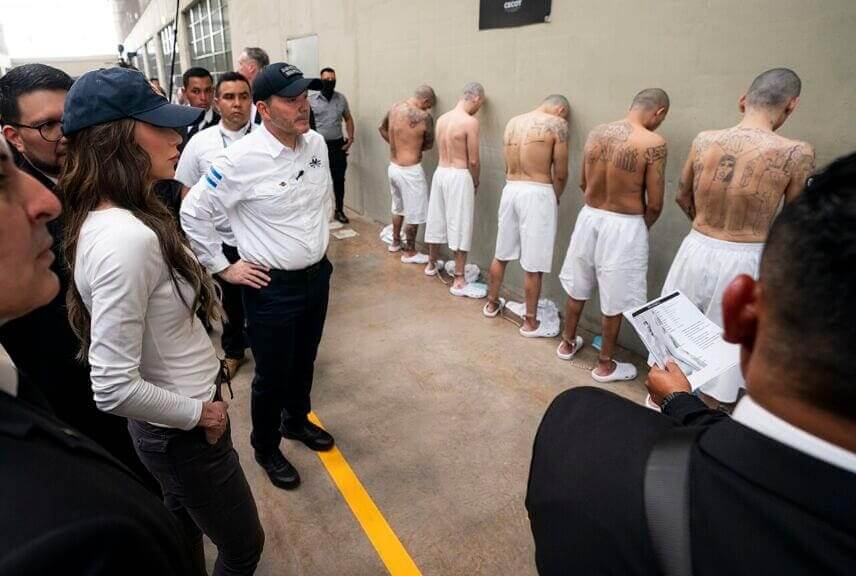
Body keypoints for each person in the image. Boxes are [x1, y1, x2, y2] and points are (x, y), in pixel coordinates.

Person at [526, 152, 856, 575]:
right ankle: (605, 359)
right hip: (700, 238)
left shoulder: (579, 433)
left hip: (683, 236)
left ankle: (573, 344)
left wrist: (683, 407)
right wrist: (685, 406)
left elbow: (676, 196)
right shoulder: (789, 154)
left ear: (737, 315)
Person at [61, 67, 264, 575]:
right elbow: (110, 386)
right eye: (160, 125)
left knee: (183, 525)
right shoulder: (124, 239)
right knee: (242, 547)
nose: (178, 138)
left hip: (172, 425)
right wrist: (203, 415)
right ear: (116, 139)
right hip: (182, 430)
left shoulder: (120, 217)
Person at [0, 134, 196, 574]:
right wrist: (201, 414)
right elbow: (113, 385)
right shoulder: (52, 540)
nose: (46, 202)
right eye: (0, 177)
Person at [0, 63, 158, 490]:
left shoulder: (107, 173)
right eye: (47, 125)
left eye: (69, 119)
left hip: (145, 372)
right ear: (12, 136)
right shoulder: (19, 210)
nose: (66, 134)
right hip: (75, 390)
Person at [181, 62, 335, 491]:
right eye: (291, 100)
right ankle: (265, 447)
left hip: (316, 277)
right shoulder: (238, 160)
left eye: (304, 97)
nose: (302, 107)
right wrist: (223, 267)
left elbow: (317, 203)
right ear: (264, 109)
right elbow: (193, 212)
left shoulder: (317, 144)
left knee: (305, 359)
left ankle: (296, 421)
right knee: (271, 375)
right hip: (272, 287)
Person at [665, 68, 814, 407]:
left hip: (696, 244)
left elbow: (682, 196)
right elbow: (795, 219)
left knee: (674, 338)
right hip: (747, 255)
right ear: (791, 105)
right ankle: (701, 430)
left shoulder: (704, 140)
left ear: (743, 100)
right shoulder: (796, 152)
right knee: (724, 353)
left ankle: (661, 410)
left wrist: (706, 224)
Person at [556, 89, 669, 382]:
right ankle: (605, 364)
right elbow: (655, 203)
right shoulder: (653, 142)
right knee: (615, 294)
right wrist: (640, 227)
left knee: (578, 282)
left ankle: (567, 343)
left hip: (590, 215)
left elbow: (583, 181)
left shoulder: (597, 133)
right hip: (626, 223)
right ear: (659, 113)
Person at [176, 71, 253, 378]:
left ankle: (267, 348)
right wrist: (194, 241)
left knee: (266, 304)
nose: (238, 104)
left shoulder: (266, 138)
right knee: (230, 305)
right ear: (217, 103)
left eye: (244, 96)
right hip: (223, 241)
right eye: (230, 97)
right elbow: (186, 193)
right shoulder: (200, 143)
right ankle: (234, 352)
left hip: (261, 241)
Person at [483, 95, 570, 337]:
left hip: (511, 187)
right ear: (560, 109)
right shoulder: (557, 125)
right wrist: (555, 196)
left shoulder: (513, 122)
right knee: (534, 261)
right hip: (538, 191)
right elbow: (561, 173)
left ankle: (491, 303)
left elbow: (505, 163)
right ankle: (530, 322)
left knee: (502, 252)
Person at [424, 82, 486, 298]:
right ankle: (459, 278)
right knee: (460, 222)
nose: (479, 108)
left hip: (441, 172)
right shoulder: (470, 122)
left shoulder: (442, 119)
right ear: (476, 98)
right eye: (481, 103)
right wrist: (476, 181)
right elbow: (475, 160)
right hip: (459, 174)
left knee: (437, 217)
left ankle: (432, 263)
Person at [379, 85, 436, 263]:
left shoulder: (394, 107)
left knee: (398, 207)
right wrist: (411, 146)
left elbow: (381, 128)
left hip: (393, 167)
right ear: (425, 101)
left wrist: (397, 144)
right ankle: (409, 252)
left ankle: (395, 242)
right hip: (410, 170)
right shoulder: (425, 117)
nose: (428, 109)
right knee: (416, 211)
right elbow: (428, 144)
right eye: (428, 105)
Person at [310, 66, 355, 224]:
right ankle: (319, 212)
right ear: (321, 80)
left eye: (332, 80)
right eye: (326, 80)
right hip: (318, 147)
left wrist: (350, 138)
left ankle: (339, 210)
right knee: (317, 179)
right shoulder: (311, 101)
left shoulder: (341, 99)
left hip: (337, 146)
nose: (330, 82)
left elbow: (348, 118)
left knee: (339, 179)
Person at [182, 67, 219, 146]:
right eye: (196, 91)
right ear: (184, 93)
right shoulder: (175, 124)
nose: (203, 97)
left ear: (213, 91)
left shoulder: (223, 125)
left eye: (208, 90)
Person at [238, 47, 270, 125]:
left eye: (240, 64)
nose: (238, 69)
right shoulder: (245, 94)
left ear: (251, 68)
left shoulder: (270, 96)